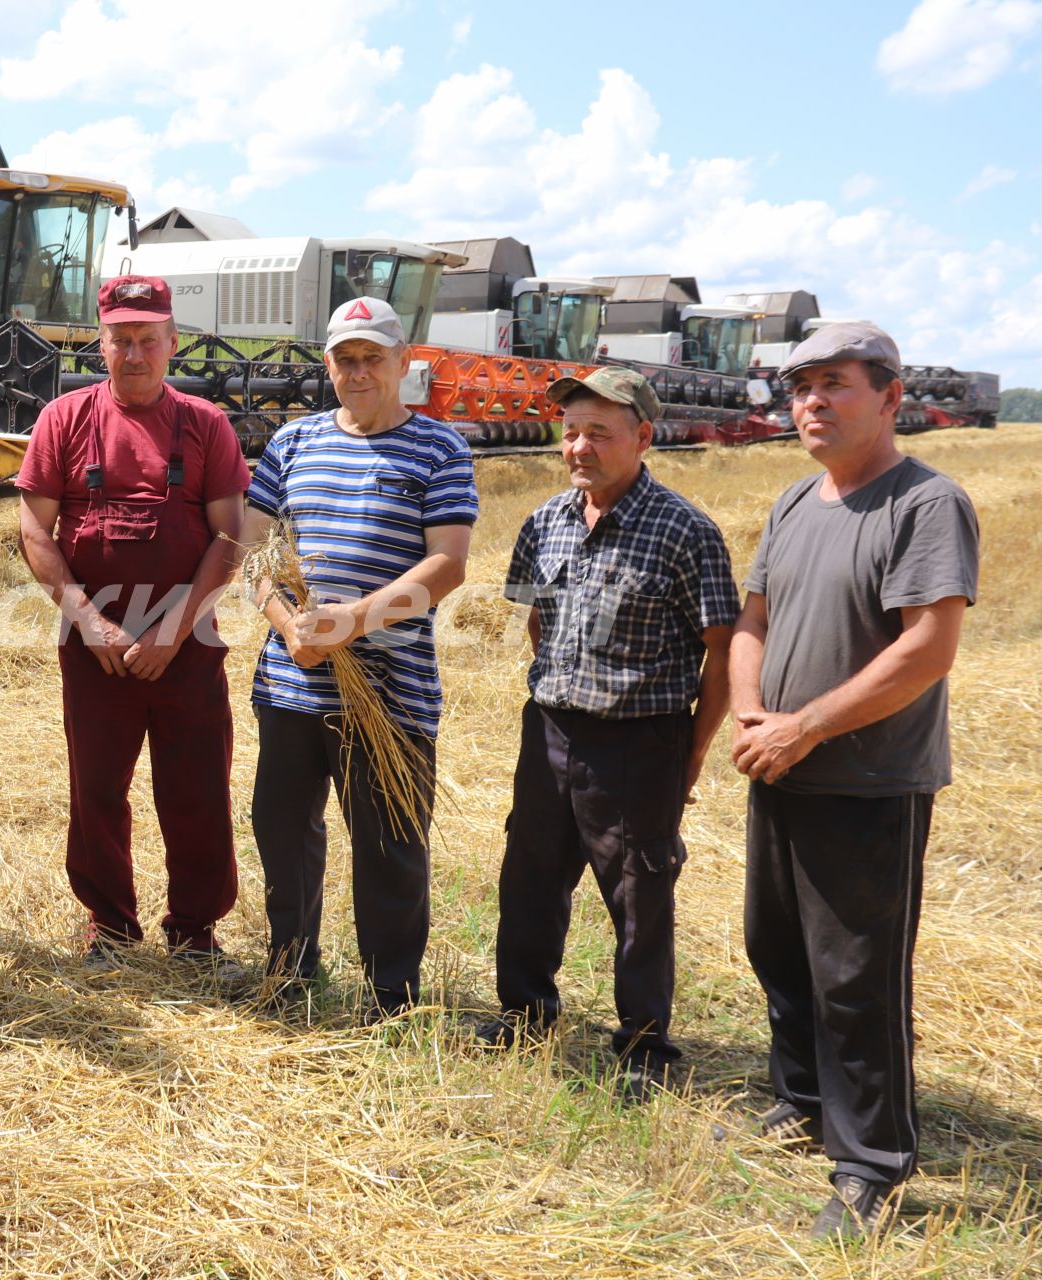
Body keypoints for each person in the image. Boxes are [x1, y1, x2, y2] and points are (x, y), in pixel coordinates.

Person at [730, 321, 978, 1240]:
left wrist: (808, 726)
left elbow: (929, 646)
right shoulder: (798, 501)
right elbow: (752, 619)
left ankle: (872, 1161)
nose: (812, 403)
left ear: (889, 397)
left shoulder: (925, 504)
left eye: (835, 383)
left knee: (856, 977)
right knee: (778, 949)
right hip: (781, 765)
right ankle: (802, 1102)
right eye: (800, 388)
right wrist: (755, 713)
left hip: (869, 780)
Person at [488, 367, 737, 1089]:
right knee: (530, 878)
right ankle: (526, 1014)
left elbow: (721, 651)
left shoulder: (685, 531)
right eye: (570, 432)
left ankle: (645, 1046)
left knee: (639, 894)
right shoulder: (545, 521)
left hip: (639, 741)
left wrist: (689, 756)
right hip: (550, 731)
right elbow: (536, 617)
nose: (578, 448)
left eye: (598, 432)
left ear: (643, 437)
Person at [241, 296, 476, 1021]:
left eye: (374, 357)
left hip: (392, 690)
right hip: (292, 684)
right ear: (328, 366)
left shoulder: (440, 448)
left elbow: (448, 565)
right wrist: (290, 626)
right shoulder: (294, 442)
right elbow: (253, 554)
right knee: (282, 832)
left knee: (390, 844)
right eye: (346, 359)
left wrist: (354, 622)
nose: (360, 371)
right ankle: (290, 967)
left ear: (404, 363)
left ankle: (391, 996)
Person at [17, 275, 250, 976]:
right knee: (96, 791)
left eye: (149, 339)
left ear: (173, 343)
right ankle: (111, 930)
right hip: (95, 649)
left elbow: (231, 538)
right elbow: (33, 529)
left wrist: (173, 630)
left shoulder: (207, 425)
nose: (135, 352)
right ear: (102, 344)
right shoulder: (64, 419)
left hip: (188, 644)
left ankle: (195, 933)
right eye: (121, 339)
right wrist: (91, 624)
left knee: (197, 788)